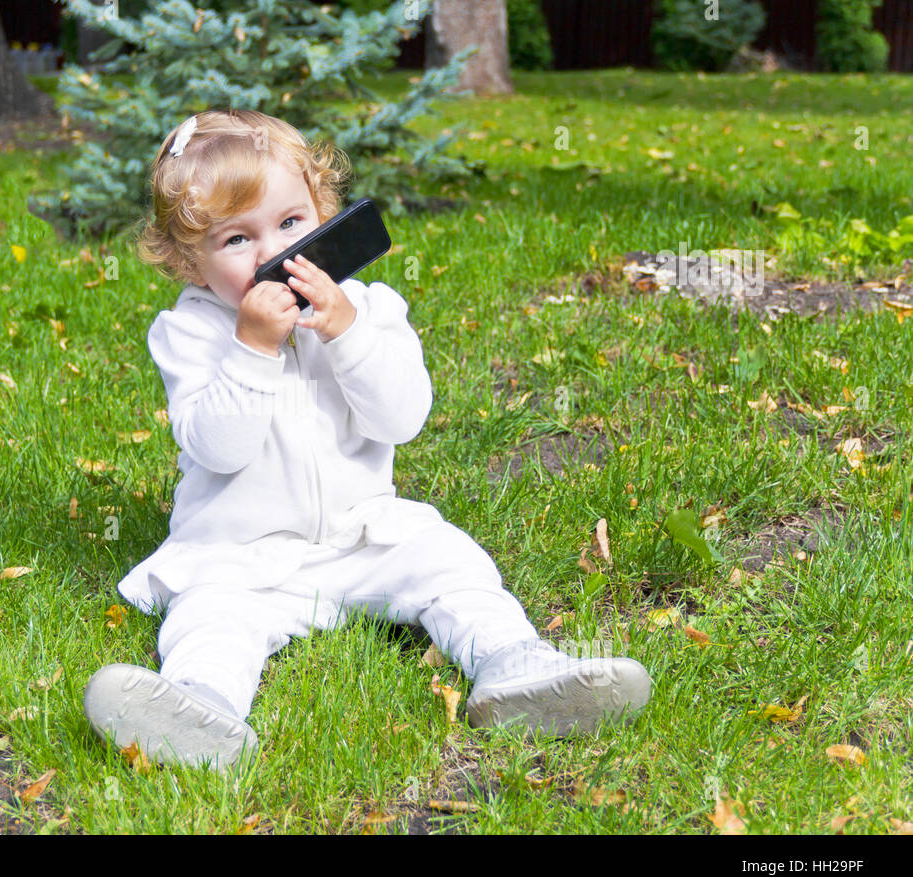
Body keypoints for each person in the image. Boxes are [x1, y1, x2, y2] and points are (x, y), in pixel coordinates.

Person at [83, 110, 651, 771]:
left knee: (453, 565)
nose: (274, 256)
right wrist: (253, 349)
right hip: (242, 557)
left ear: (324, 213)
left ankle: (515, 666)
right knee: (210, 617)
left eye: (291, 224)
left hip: (365, 537)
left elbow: (401, 419)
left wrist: (348, 333)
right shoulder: (192, 335)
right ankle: (200, 707)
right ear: (190, 260)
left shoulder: (370, 309)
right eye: (238, 238)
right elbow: (221, 448)